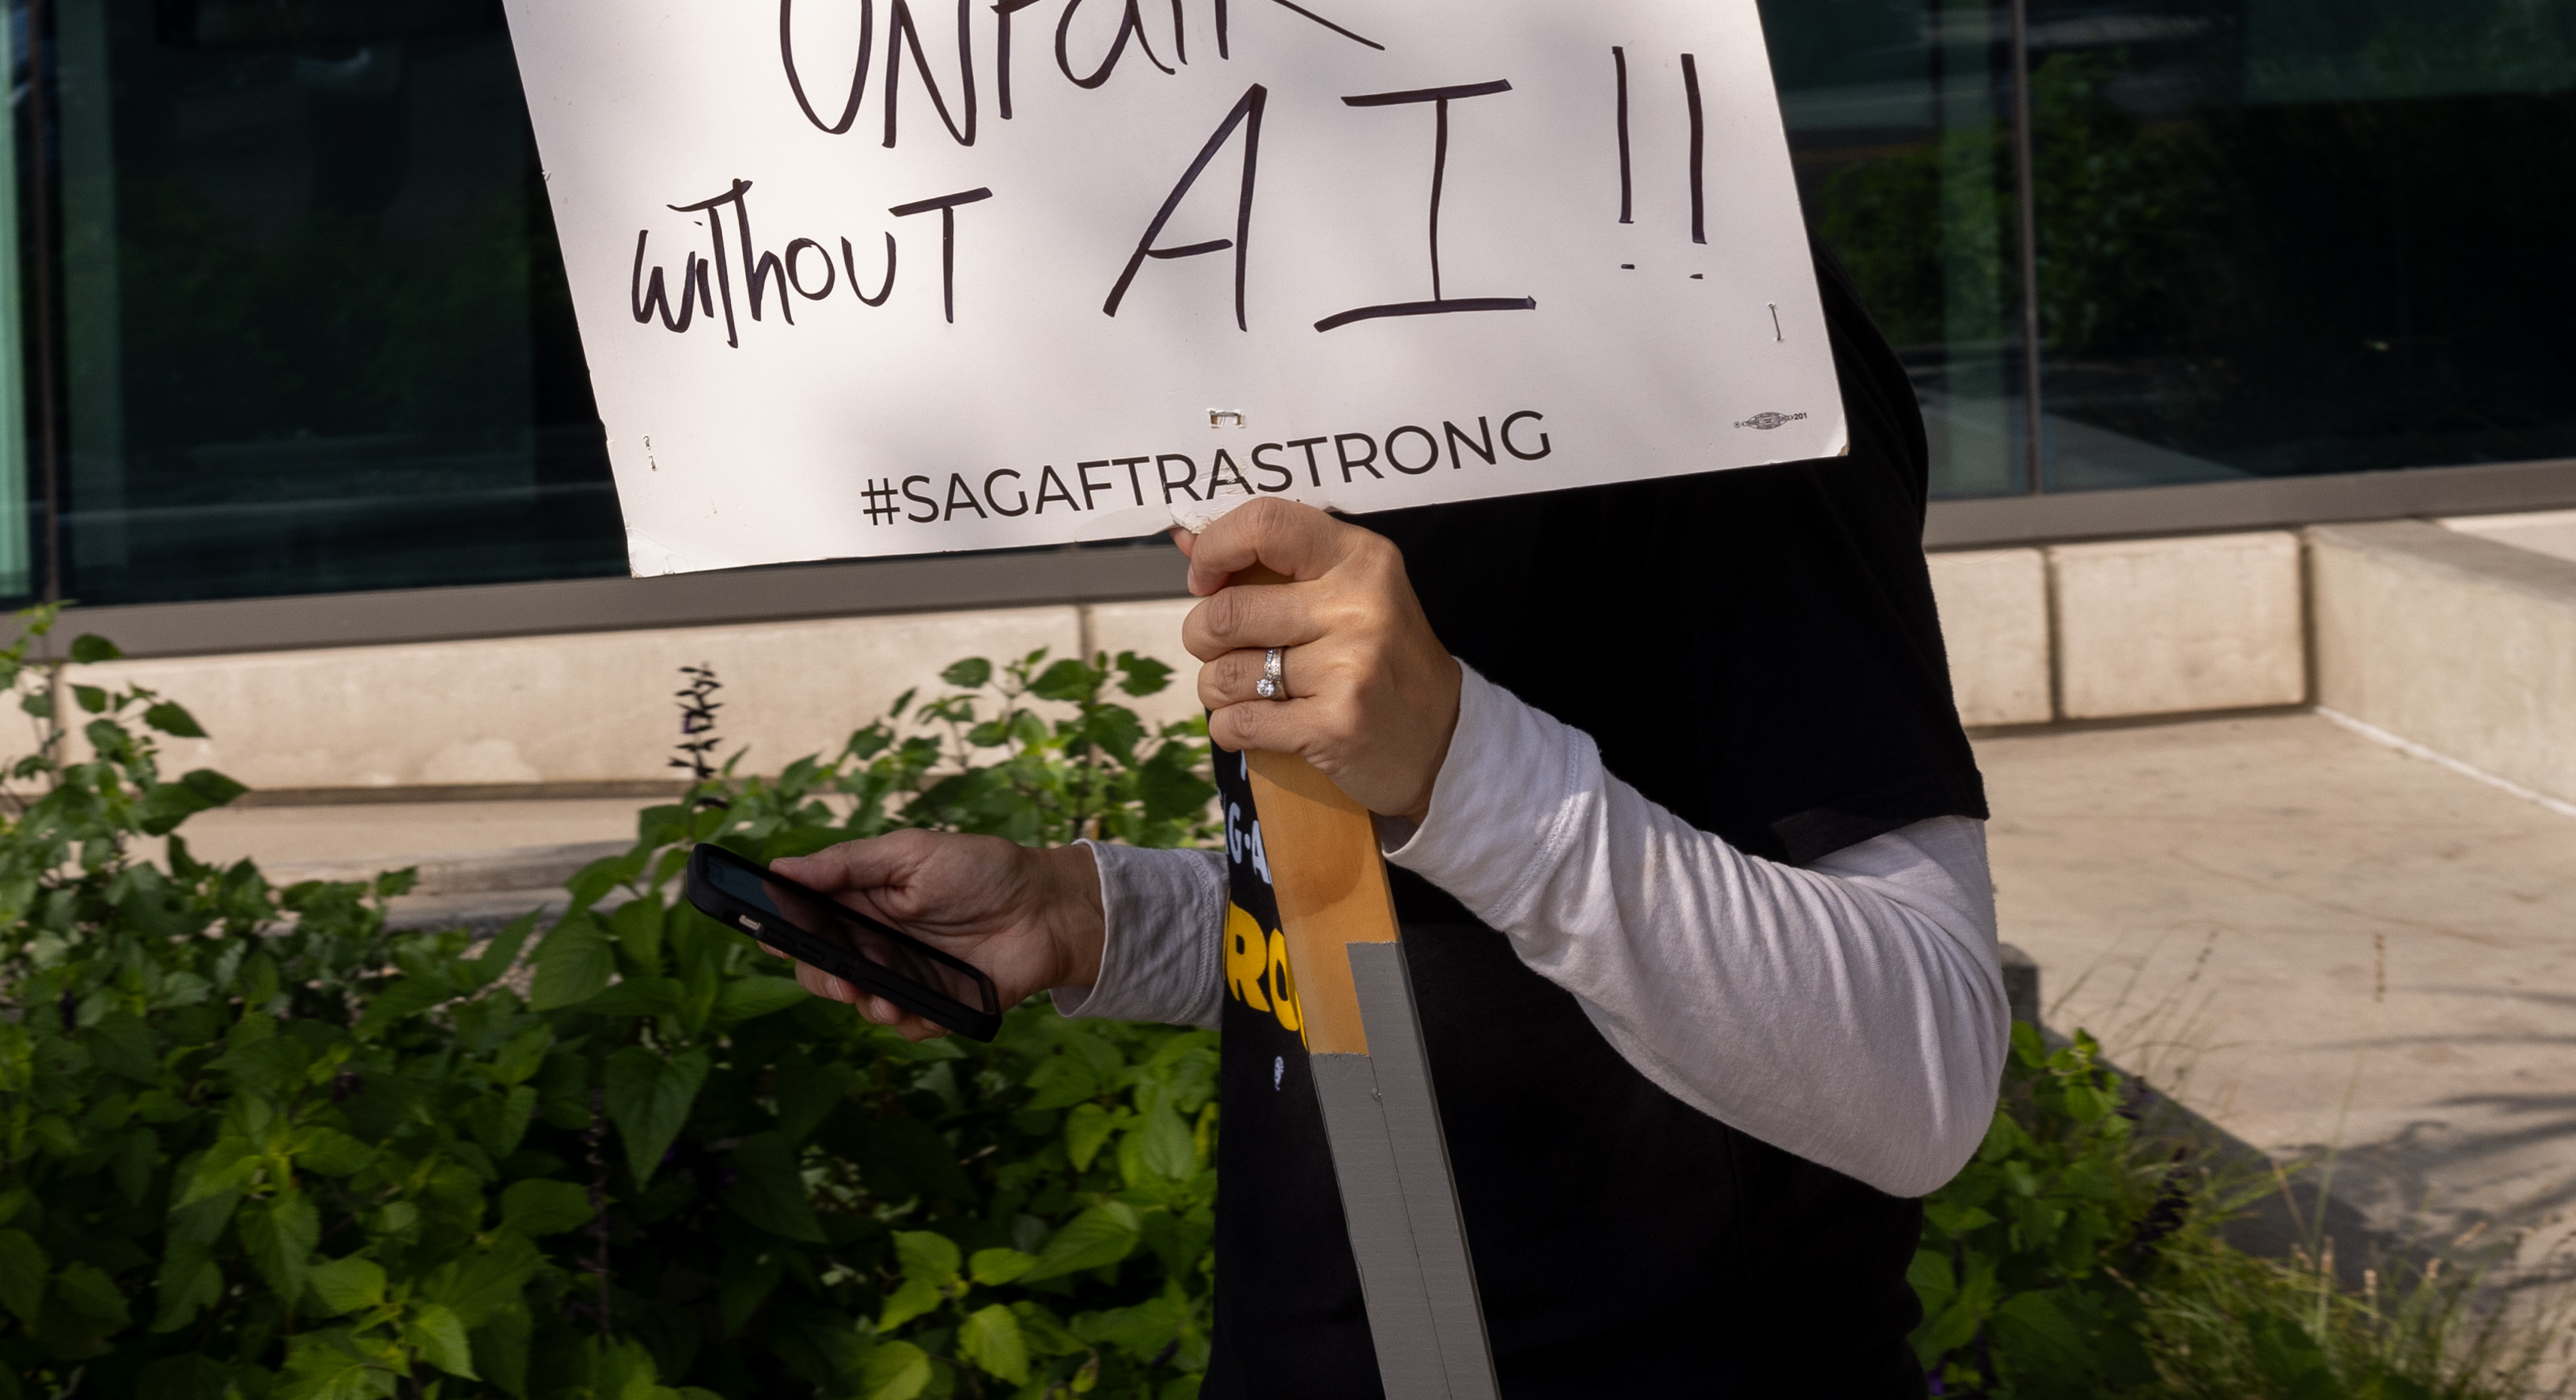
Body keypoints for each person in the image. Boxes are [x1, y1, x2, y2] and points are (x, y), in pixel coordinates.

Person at [772, 256, 2002, 1392]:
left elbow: (1922, 1074)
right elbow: (1450, 935)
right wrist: (1094, 918)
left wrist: (1459, 760)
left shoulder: (1708, 316)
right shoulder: (1306, 380)